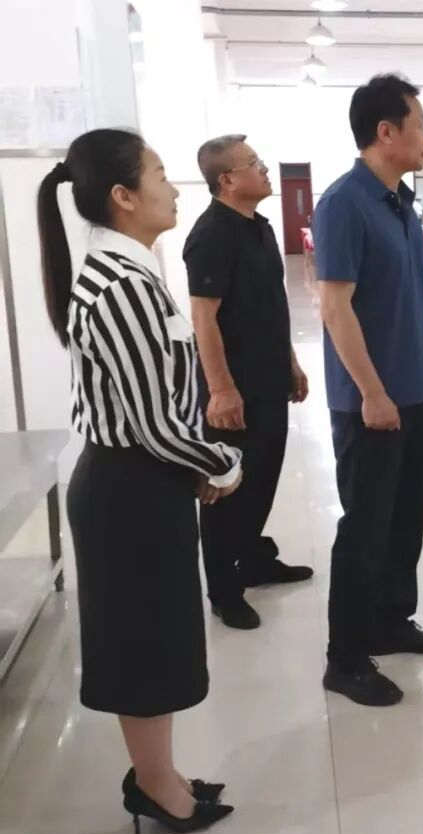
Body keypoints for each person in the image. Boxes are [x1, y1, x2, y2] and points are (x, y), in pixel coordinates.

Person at [37, 129, 239, 834]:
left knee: (156, 637)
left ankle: (159, 774)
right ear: (123, 196)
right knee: (146, 644)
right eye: (160, 173)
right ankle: (155, 785)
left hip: (143, 481)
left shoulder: (129, 271)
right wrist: (220, 462)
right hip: (130, 489)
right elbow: (153, 421)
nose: (174, 187)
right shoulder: (121, 285)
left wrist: (193, 461)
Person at [314, 74, 423, 707]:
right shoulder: (344, 203)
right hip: (368, 403)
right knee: (366, 529)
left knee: (405, 519)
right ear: (385, 131)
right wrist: (372, 392)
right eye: (419, 123)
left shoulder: (401, 202)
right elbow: (335, 308)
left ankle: (390, 620)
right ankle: (345, 658)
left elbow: (404, 299)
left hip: (409, 391)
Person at [184, 135, 313, 631]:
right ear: (227, 180)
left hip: (268, 378)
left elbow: (270, 303)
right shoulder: (212, 234)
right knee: (230, 486)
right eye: (253, 163)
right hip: (234, 389)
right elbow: (204, 318)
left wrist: (290, 362)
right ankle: (223, 589)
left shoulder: (258, 227)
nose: (263, 169)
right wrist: (220, 389)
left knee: (262, 477)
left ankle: (254, 558)